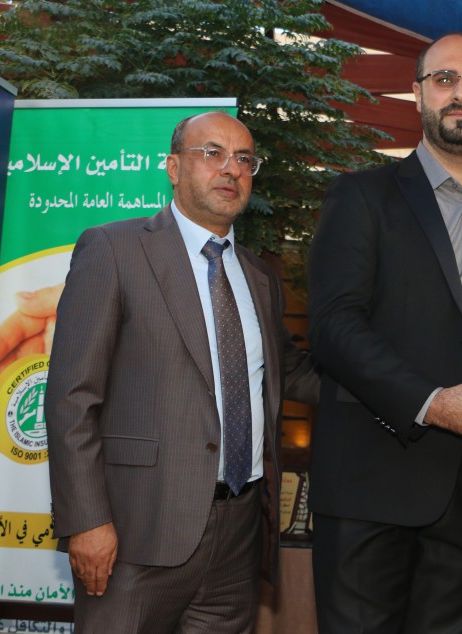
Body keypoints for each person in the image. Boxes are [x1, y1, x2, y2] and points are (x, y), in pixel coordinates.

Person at [45, 111, 318, 633]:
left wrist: (416, 394)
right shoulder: (114, 249)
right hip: (135, 533)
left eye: (244, 159)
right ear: (173, 168)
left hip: (239, 535)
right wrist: (87, 521)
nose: (231, 169)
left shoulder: (260, 277)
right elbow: (71, 399)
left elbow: (291, 374)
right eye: (212, 153)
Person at [307, 32, 462, 634]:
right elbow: (333, 327)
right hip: (373, 481)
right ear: (417, 94)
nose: (461, 93)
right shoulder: (361, 195)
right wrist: (432, 404)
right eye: (444, 79)